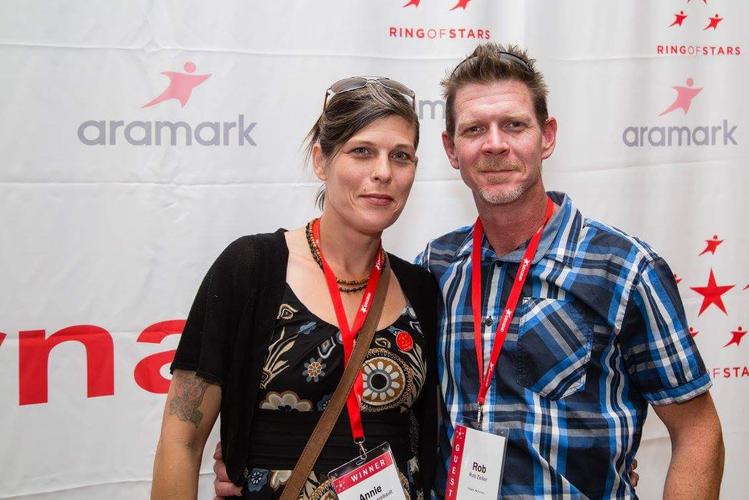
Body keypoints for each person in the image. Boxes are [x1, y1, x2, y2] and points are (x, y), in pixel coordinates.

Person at [214, 44, 725, 499]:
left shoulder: (625, 268)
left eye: (515, 125)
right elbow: (374, 398)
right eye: (475, 129)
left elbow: (697, 429)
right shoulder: (434, 270)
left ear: (546, 137)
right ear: (451, 149)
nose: (495, 144)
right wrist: (251, 454)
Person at [151, 75, 440, 499]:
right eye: (362, 151)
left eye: (401, 156)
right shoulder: (252, 269)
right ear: (321, 160)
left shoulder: (421, 289)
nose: (383, 172)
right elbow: (182, 440)